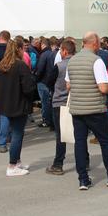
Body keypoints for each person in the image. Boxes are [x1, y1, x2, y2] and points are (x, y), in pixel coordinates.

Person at [66, 32, 108, 190]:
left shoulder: (72, 60)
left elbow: (68, 86)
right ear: (94, 44)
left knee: (80, 143)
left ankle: (83, 179)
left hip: (77, 109)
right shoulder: (97, 61)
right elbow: (103, 87)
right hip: (95, 108)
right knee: (105, 142)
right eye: (99, 42)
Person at [0, 39, 36, 176]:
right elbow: (28, 88)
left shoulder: (1, 65)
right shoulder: (20, 65)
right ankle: (12, 165)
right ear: (19, 49)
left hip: (5, 104)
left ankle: (16, 161)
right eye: (23, 48)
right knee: (17, 134)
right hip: (18, 103)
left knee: (16, 133)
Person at [45, 39, 77, 175]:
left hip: (59, 103)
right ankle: (85, 161)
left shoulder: (59, 66)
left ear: (64, 51)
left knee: (61, 135)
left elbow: (49, 82)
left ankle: (58, 164)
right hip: (76, 102)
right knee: (79, 134)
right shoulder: (78, 65)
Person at [34, 38, 56, 128]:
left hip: (43, 81)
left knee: (45, 102)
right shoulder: (53, 53)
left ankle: (46, 120)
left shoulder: (44, 54)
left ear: (43, 45)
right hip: (50, 81)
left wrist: (36, 79)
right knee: (49, 101)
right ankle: (50, 120)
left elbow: (40, 69)